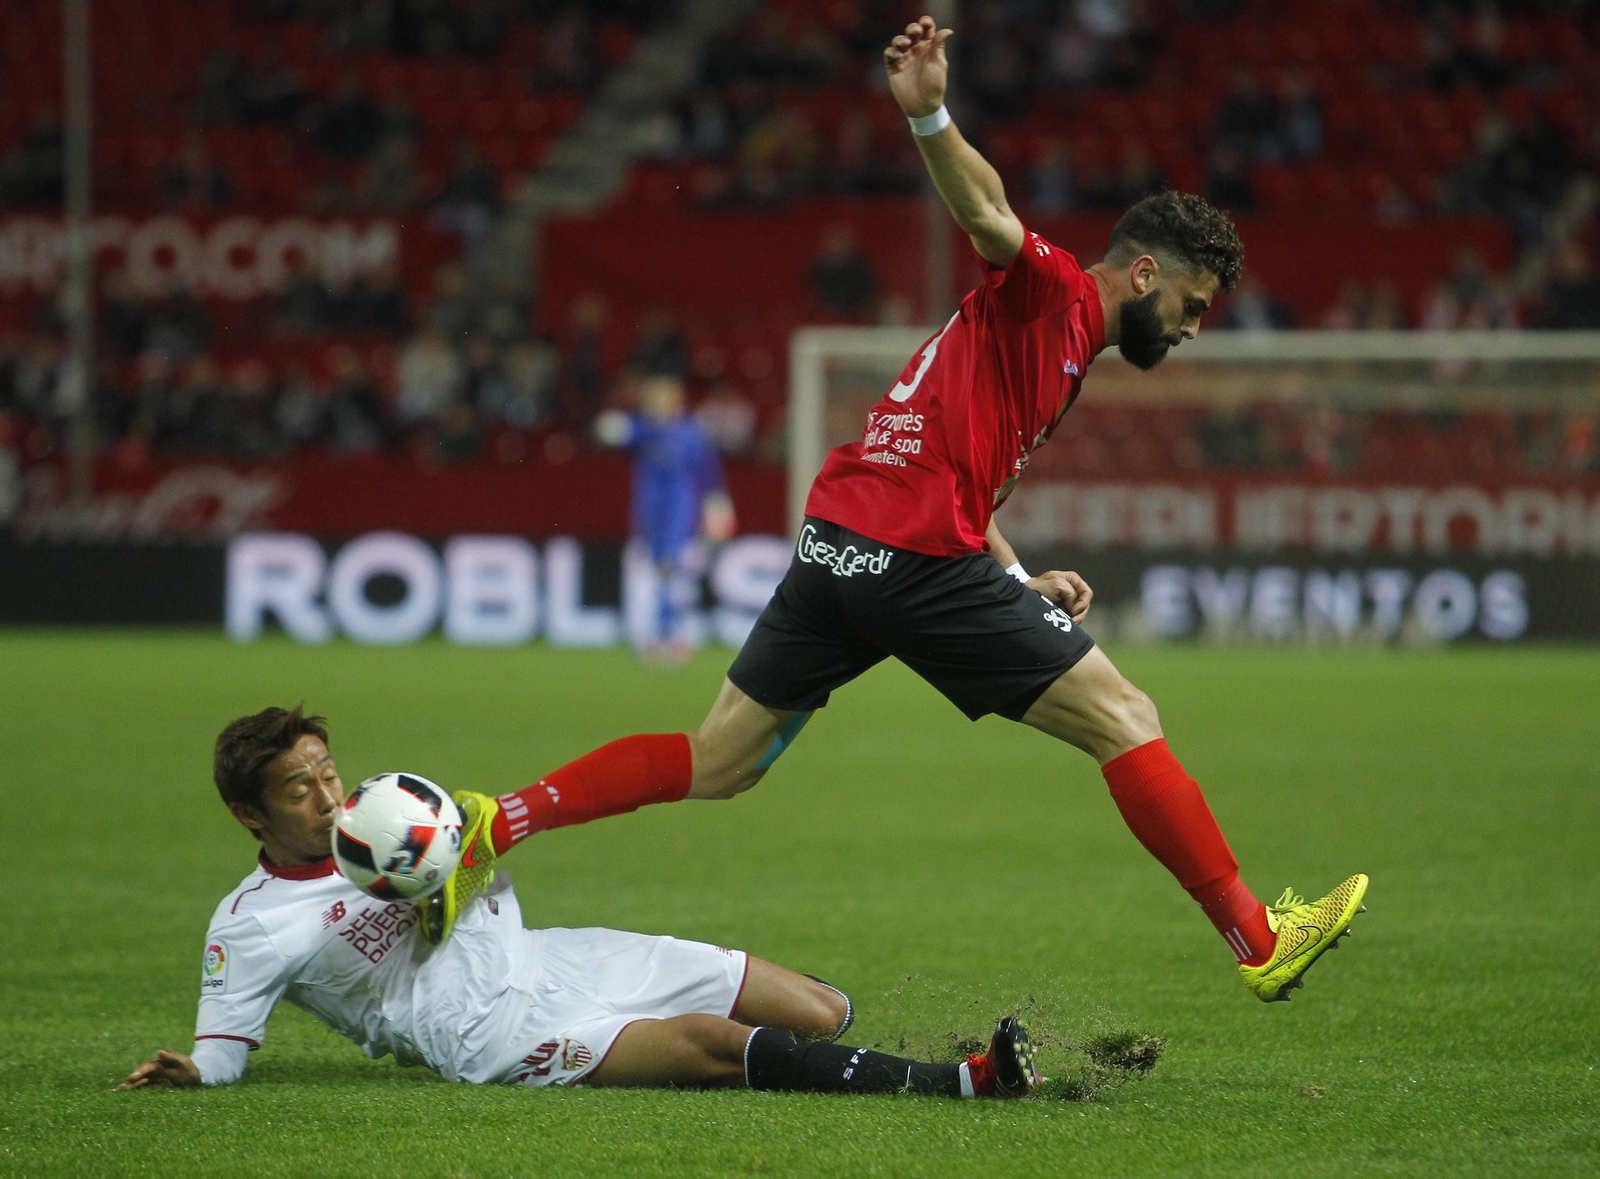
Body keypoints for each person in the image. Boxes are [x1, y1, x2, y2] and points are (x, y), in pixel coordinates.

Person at [429, 16, 1368, 1007]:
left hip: (839, 545)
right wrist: (929, 117)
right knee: (1126, 716)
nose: (1191, 328)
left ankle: (495, 823)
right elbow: (989, 213)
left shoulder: (1051, 357)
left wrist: (1017, 580)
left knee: (720, 759)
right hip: (914, 558)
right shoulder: (1053, 295)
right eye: (1192, 305)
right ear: (1144, 274)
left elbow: (965, 483)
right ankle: (1258, 938)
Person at [119, 707, 1040, 1099]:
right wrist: (195, 1072)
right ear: (250, 813)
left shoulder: (394, 813)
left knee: (819, 1009)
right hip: (484, 1028)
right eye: (298, 789)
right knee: (712, 1044)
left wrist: (476, 843)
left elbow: (478, 843)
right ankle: (963, 1081)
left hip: (552, 954)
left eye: (326, 771)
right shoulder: (250, 925)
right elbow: (222, 1049)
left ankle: (847, 1062)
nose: (327, 797)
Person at [595, 376, 736, 658]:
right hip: (649, 507)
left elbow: (709, 472)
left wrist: (718, 502)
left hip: (679, 507)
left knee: (671, 566)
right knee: (655, 569)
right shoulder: (646, 429)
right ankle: (658, 632)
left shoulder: (691, 433)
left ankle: (670, 633)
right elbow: (616, 431)